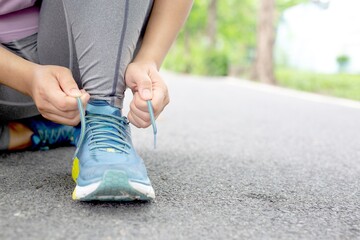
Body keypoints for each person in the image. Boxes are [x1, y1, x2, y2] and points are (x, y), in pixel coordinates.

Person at [0, 0, 193, 201]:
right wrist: (26, 77)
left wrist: (149, 58)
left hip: (65, 43)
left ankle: (102, 115)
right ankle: (30, 131)